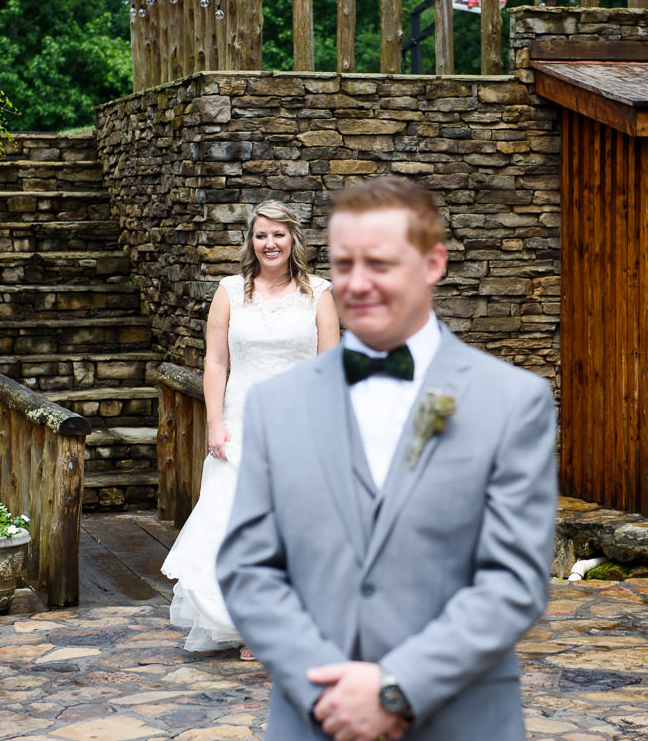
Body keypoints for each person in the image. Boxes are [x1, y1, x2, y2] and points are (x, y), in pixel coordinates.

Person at [217, 176, 558, 741]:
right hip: (314, 719)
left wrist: (397, 688)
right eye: (346, 264)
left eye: (380, 263)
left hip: (460, 719)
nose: (358, 283)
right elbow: (248, 570)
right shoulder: (277, 405)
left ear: (433, 263)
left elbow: (514, 579)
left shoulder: (512, 401)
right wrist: (328, 693)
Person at [161, 200, 339, 658]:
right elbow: (216, 362)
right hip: (240, 427)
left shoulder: (319, 293)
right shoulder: (229, 291)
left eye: (279, 234)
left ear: (294, 239)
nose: (270, 243)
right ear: (251, 240)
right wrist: (215, 423)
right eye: (262, 235)